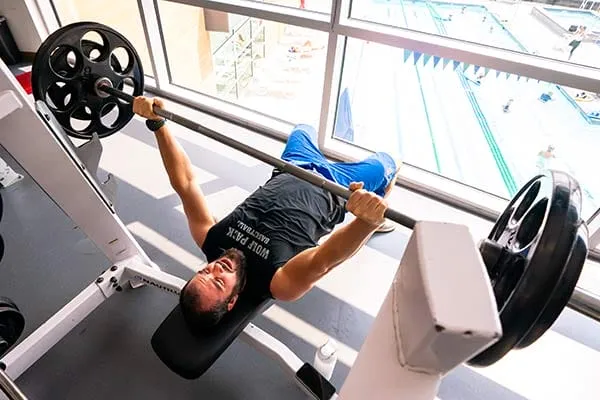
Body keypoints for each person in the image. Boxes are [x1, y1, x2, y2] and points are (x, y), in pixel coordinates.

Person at [132, 96, 401, 329]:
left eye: (204, 273)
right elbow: (325, 258)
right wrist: (367, 221)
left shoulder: (209, 239)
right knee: (391, 164)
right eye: (217, 283)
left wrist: (157, 124)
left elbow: (185, 183)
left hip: (293, 166)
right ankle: (379, 219)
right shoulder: (279, 284)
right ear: (232, 300)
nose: (215, 269)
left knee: (303, 127)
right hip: (337, 187)